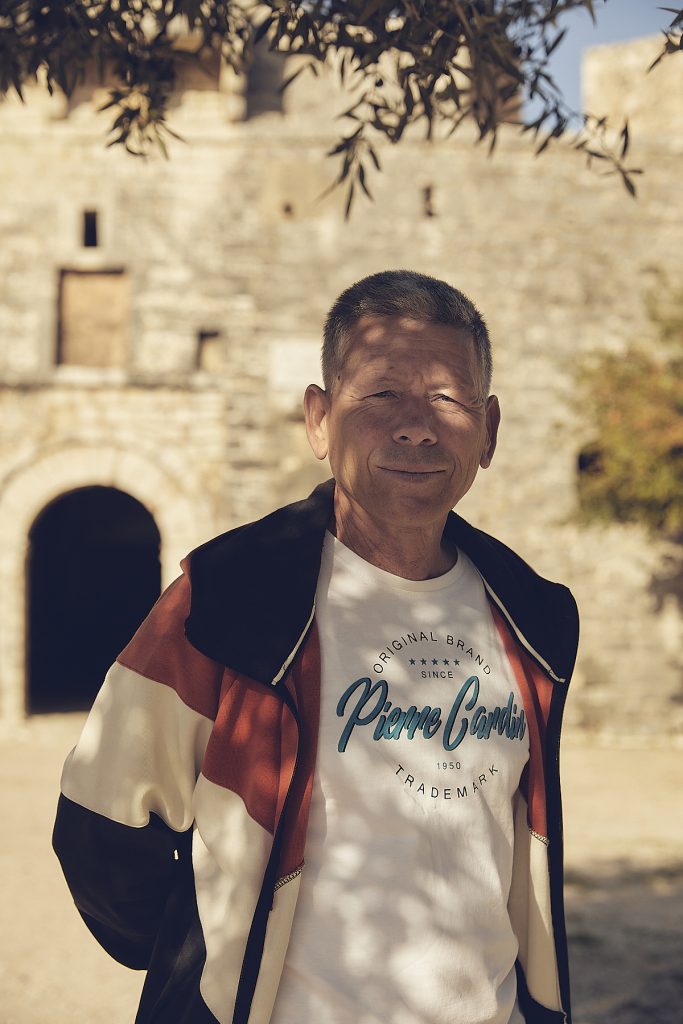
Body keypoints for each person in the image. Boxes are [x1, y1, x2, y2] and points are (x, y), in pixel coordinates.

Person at [53, 270, 579, 1024]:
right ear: (319, 421)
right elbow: (99, 824)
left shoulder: (533, 617)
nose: (416, 427)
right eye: (381, 395)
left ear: (488, 430)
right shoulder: (227, 598)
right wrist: (204, 962)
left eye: (448, 399)